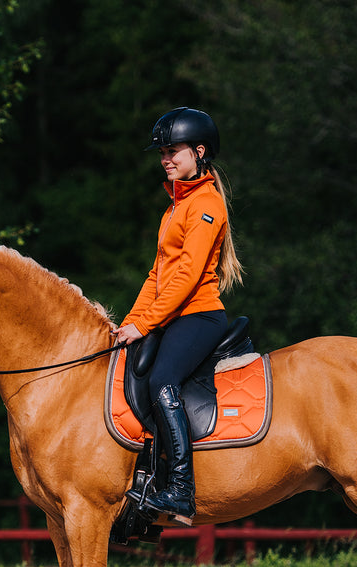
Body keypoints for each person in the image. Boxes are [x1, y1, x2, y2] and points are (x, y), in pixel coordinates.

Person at [111, 106, 244, 523]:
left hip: (200, 315)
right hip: (172, 315)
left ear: (199, 151)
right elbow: (157, 274)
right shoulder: (173, 209)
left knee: (162, 379)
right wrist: (129, 324)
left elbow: (186, 277)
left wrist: (146, 323)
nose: (165, 158)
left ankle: (181, 489)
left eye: (173, 150)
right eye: (162, 153)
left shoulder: (206, 204)